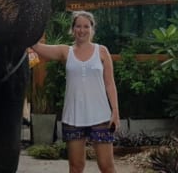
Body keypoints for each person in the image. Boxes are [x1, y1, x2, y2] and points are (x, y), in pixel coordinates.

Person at [31, 11, 120, 173]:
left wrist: (115, 111)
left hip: (100, 116)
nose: (82, 30)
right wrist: (26, 32)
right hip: (73, 117)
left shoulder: (102, 51)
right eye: (78, 26)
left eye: (86, 26)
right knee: (76, 167)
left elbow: (110, 83)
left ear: (92, 29)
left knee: (107, 166)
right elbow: (37, 47)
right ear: (73, 29)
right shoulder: (66, 51)